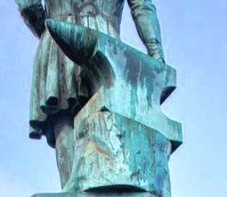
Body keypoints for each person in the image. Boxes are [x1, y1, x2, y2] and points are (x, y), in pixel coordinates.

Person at [15, 0, 165, 186]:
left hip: (56, 42)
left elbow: (27, 4)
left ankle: (72, 195)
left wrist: (50, 31)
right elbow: (142, 6)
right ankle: (111, 195)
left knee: (64, 120)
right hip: (103, 41)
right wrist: (156, 54)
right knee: (107, 125)